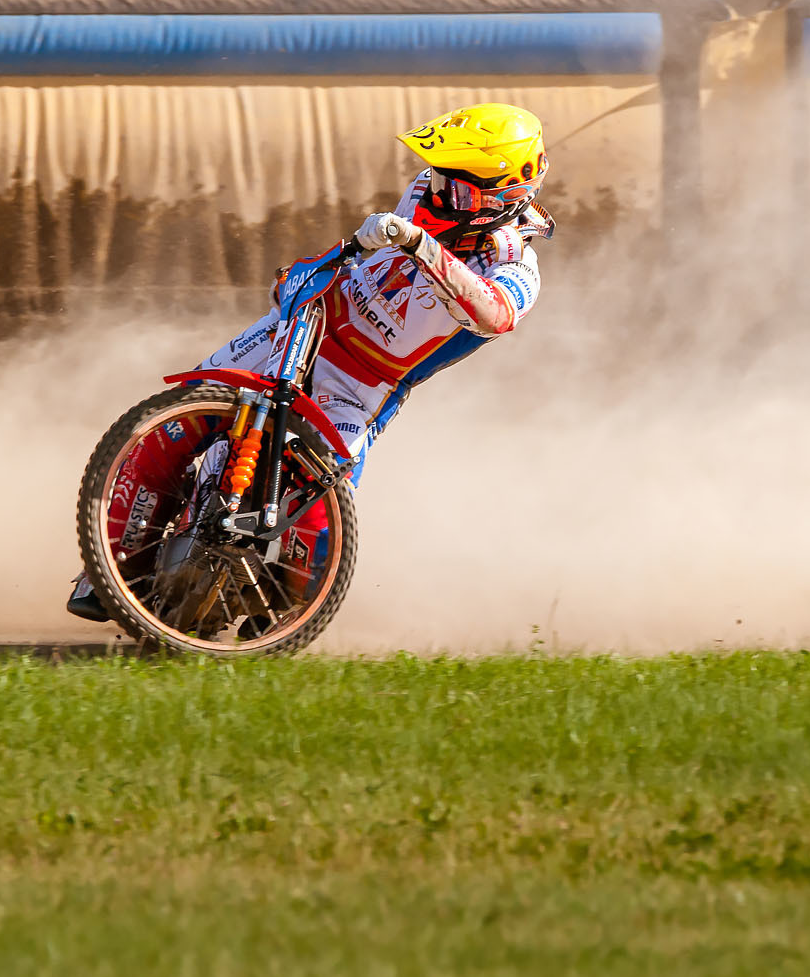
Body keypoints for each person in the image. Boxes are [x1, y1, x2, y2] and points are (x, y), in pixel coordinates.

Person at [68, 101, 550, 623]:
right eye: (436, 175)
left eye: (455, 187)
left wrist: (418, 245)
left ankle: (260, 617)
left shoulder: (517, 265)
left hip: (360, 389)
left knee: (316, 531)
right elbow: (373, 244)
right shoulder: (425, 192)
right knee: (172, 428)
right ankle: (111, 567)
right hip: (305, 324)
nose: (433, 192)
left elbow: (496, 315)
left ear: (510, 193)